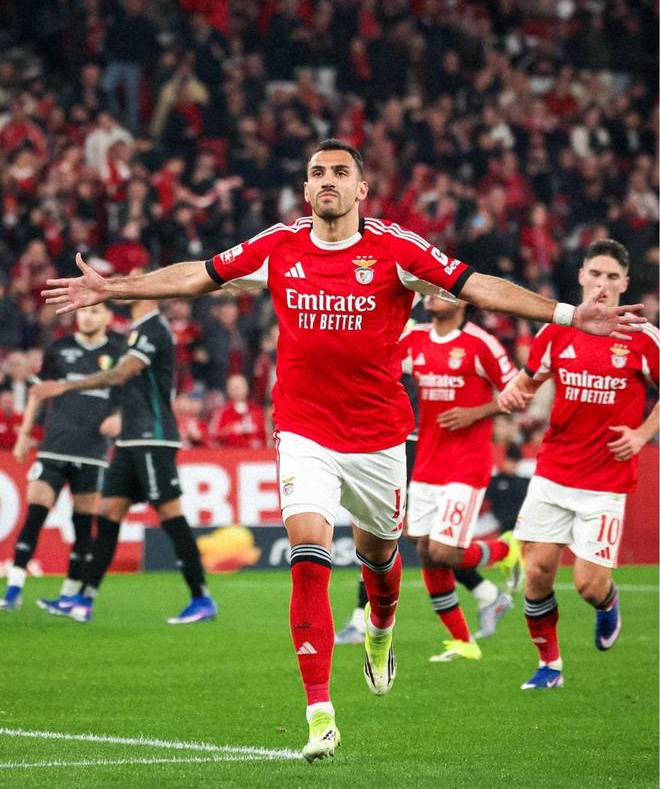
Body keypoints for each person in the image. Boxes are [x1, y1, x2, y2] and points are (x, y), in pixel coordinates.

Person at [40, 140, 644, 761]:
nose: (327, 181)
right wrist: (115, 289)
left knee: (380, 561)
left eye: (340, 172)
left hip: (379, 438)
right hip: (304, 431)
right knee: (308, 556)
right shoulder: (279, 245)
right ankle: (320, 713)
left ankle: (381, 629)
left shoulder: (396, 249)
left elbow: (477, 285)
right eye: (317, 173)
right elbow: (197, 275)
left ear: (361, 189)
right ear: (306, 190)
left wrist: (567, 314)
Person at [498, 239, 659, 690]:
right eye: (596, 274)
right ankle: (550, 666)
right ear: (581, 277)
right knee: (536, 574)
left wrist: (642, 434)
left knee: (589, 584)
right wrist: (513, 391)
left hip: (605, 481)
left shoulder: (643, 338)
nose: (603, 284)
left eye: (612, 277)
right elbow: (528, 381)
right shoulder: (556, 331)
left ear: (625, 284)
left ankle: (607, 602)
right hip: (553, 471)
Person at [31, 289, 217, 626]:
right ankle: (83, 600)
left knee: (169, 513)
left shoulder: (153, 329)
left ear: (149, 292)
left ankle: (201, 598)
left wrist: (66, 386)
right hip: (129, 439)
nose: (125, 286)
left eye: (134, 281)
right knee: (109, 512)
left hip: (152, 437)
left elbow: (120, 374)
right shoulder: (135, 331)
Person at [402, 295, 520, 662]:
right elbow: (378, 367)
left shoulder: (481, 344)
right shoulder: (415, 339)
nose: (432, 295)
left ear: (464, 302)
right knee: (424, 548)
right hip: (427, 460)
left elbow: (519, 392)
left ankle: (507, 550)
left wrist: (476, 412)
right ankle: (463, 641)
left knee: (444, 551)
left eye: (442, 290)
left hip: (466, 464)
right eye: (429, 290)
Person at [0, 304, 123, 611]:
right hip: (54, 447)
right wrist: (24, 434)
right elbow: (39, 392)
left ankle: (68, 593)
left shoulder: (119, 351)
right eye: (83, 312)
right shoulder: (59, 348)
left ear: (108, 317)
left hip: (93, 452)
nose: (87, 316)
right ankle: (13, 590)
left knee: (82, 524)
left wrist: (120, 416)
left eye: (95, 312)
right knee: (35, 515)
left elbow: (131, 395)